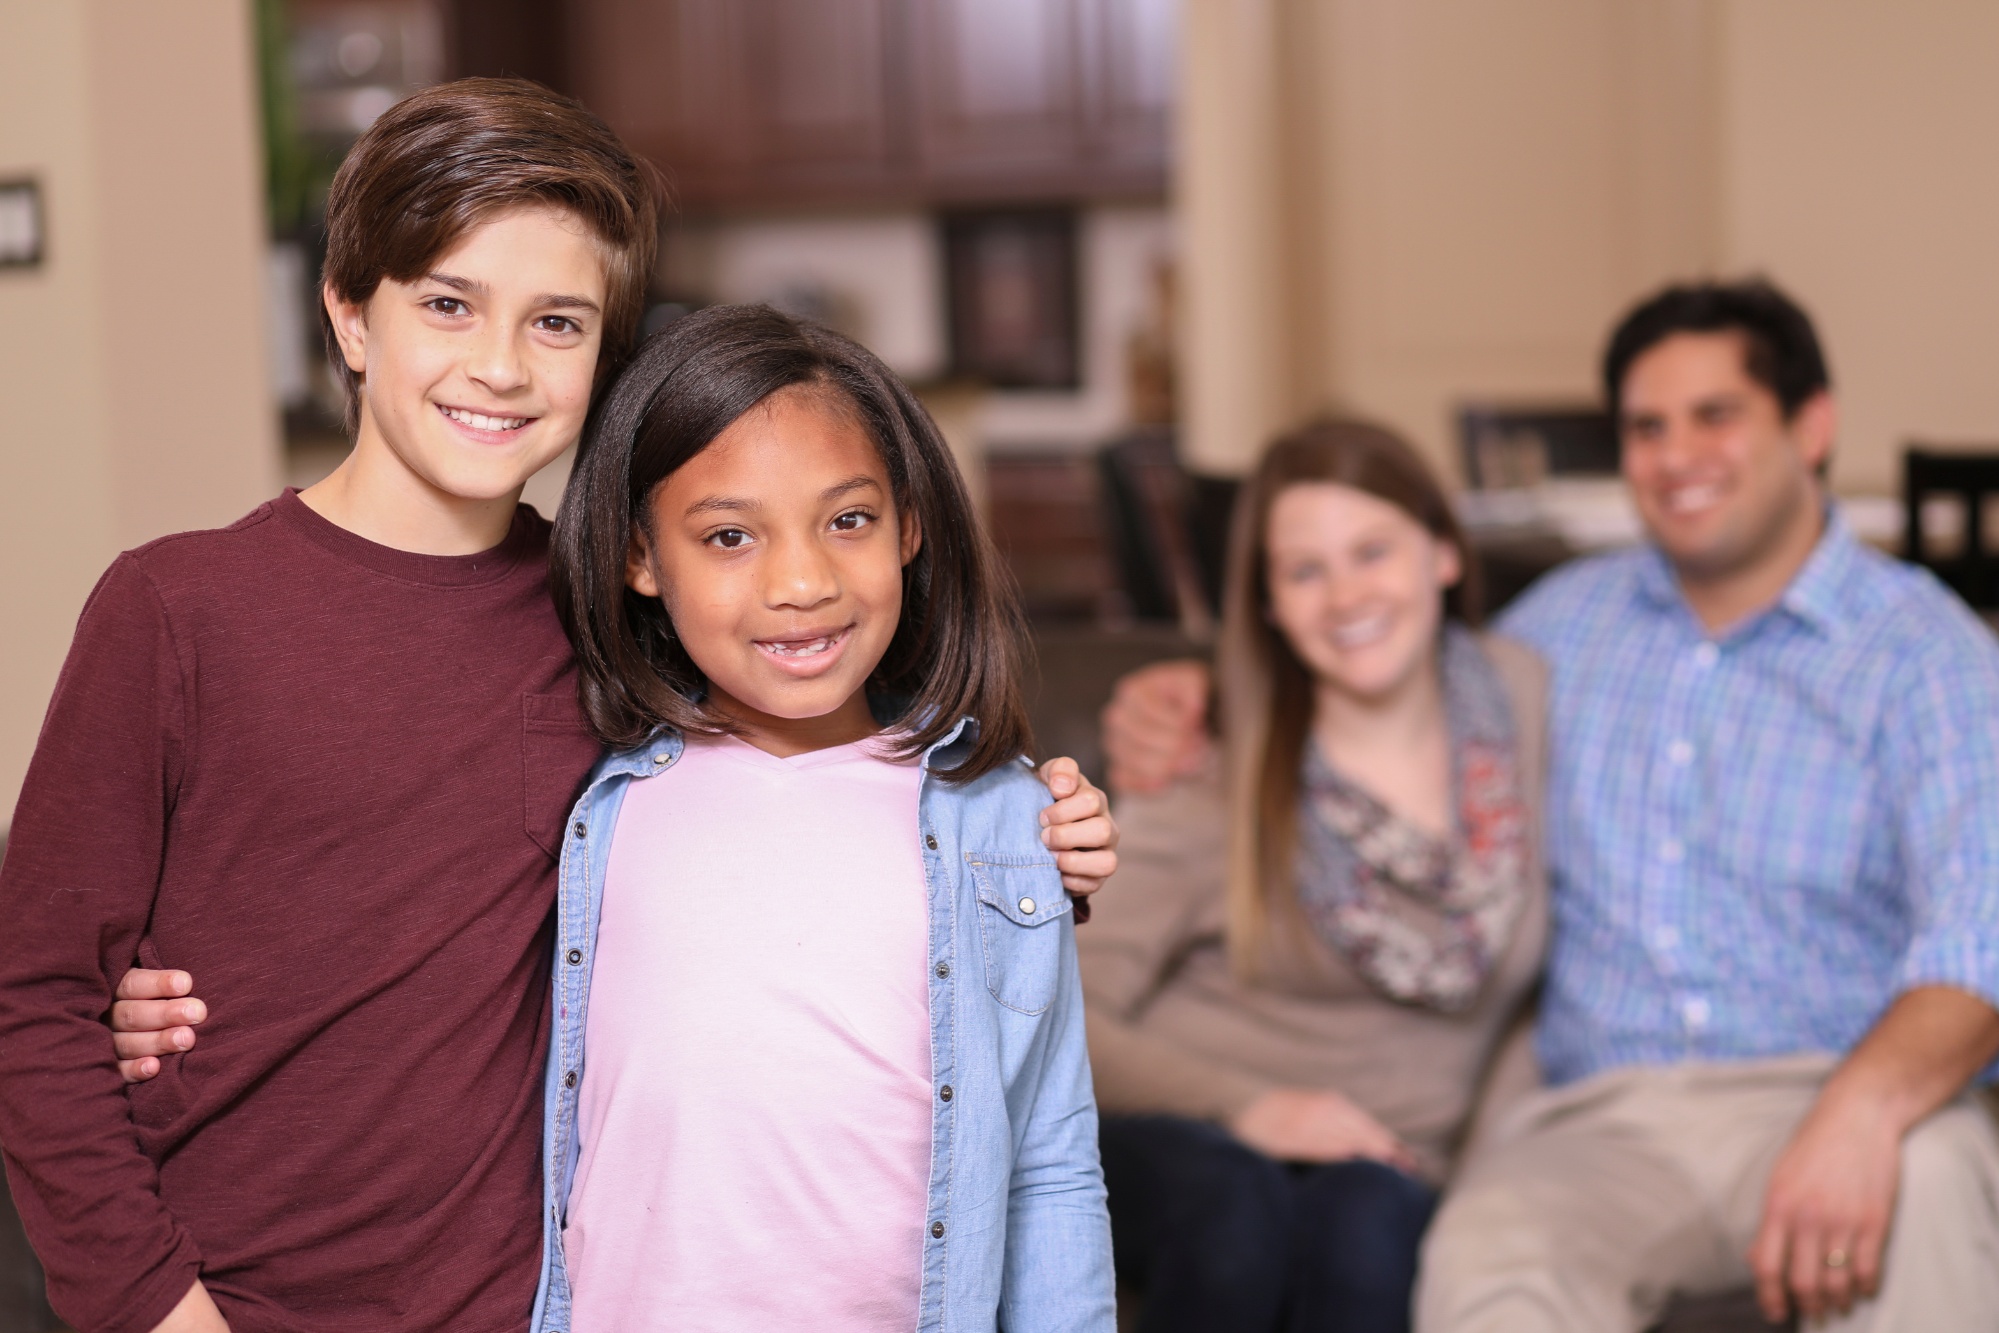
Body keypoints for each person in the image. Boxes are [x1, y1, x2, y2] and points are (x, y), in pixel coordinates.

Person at [0, 81, 1116, 1333]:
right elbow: (32, 994)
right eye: (446, 304)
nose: (499, 365)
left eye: (558, 322)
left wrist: (1039, 826)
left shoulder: (613, 626)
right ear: (348, 316)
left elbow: (822, 766)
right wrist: (158, 1304)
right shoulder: (175, 609)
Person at [1104, 281, 1999, 1332]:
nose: (1676, 456)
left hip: (1841, 1088)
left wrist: (1866, 1110)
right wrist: (1185, 695)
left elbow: (1977, 933)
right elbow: (1364, 674)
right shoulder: (1552, 640)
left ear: (1811, 427)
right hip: (1598, 1125)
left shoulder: (1929, 657)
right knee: (1487, 1257)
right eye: (1645, 427)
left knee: (1935, 1184)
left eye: (1716, 415)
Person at [527, 303, 1115, 1332]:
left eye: (847, 520)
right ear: (639, 558)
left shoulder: (1001, 822)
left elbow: (1049, 1161)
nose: (801, 582)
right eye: (729, 536)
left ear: (910, 524)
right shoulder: (588, 796)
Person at [1083, 418, 1548, 1333]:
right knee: (1235, 1208)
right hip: (1189, 1135)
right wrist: (1251, 1107)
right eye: (1304, 570)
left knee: (1364, 1223)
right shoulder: (1219, 768)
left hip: (1389, 1155)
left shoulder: (1524, 705)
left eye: (1372, 550)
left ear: (1444, 555)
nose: (1344, 596)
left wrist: (1499, 1160)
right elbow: (1046, 1009)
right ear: (1268, 605)